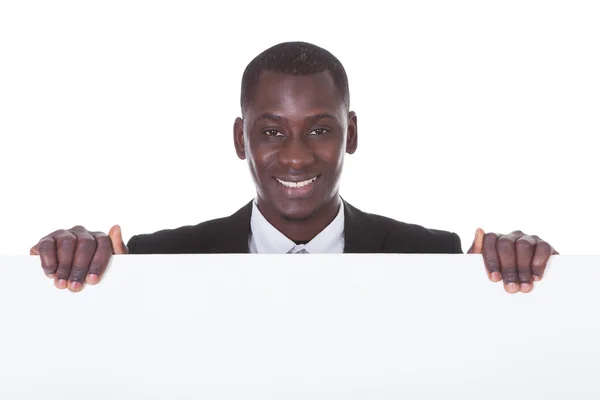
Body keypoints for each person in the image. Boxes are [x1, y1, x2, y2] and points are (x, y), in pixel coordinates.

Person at [30, 41, 557, 294]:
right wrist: (78, 263)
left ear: (353, 133)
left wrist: (519, 270)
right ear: (241, 139)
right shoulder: (155, 260)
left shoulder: (435, 258)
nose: (297, 155)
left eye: (321, 129)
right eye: (271, 131)